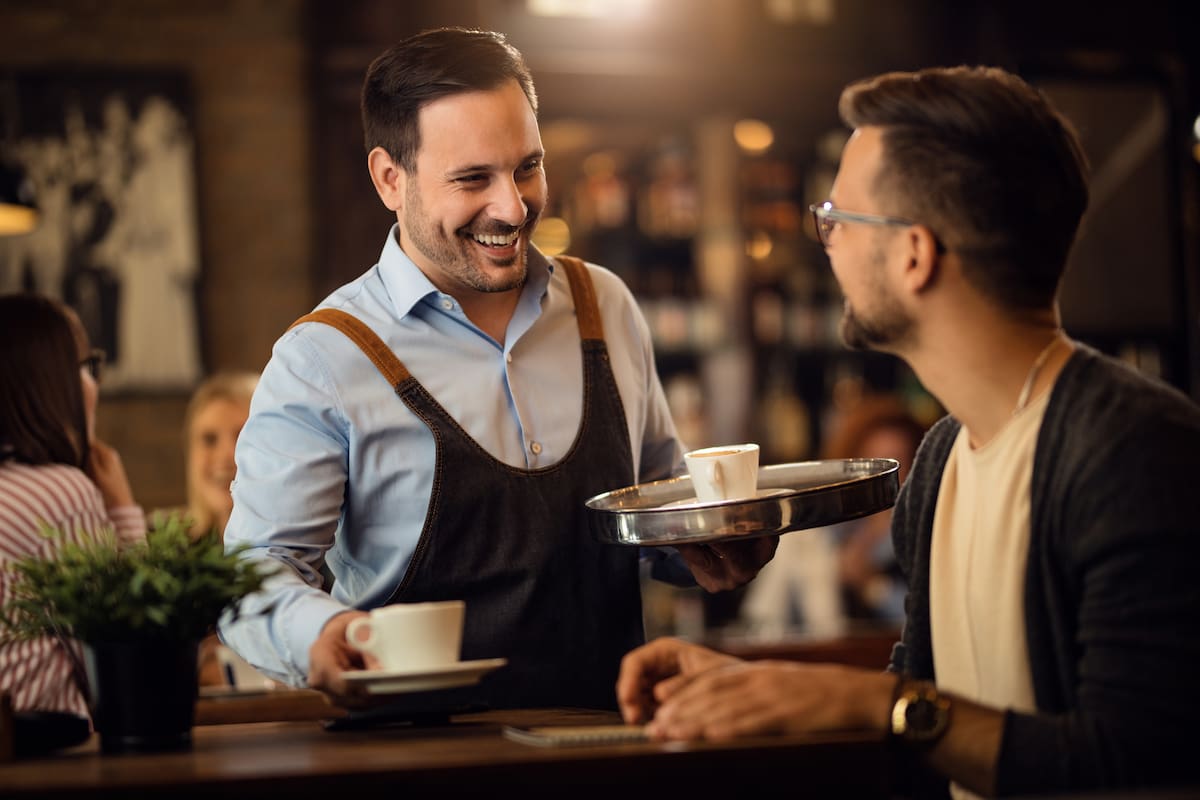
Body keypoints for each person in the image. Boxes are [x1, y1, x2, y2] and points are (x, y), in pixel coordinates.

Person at [616, 65, 1200, 798]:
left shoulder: (1132, 452)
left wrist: (870, 702)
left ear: (914, 254)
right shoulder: (941, 460)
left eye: (839, 219)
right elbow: (930, 718)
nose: (826, 243)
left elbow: (1140, 760)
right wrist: (758, 687)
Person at [218, 27, 776, 711]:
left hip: (610, 743)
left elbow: (657, 513)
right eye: (472, 178)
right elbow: (254, 574)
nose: (512, 207)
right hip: (418, 757)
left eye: (527, 168)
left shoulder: (605, 306)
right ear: (390, 179)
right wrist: (323, 633)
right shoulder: (324, 357)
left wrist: (713, 544)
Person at [0, 292, 146, 716]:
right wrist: (123, 512)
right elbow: (130, 669)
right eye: (85, 366)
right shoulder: (54, 494)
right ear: (50, 382)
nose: (94, 385)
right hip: (39, 749)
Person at [740, 393, 926, 636]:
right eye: (874, 468)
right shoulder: (834, 531)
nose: (886, 480)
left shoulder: (921, 537)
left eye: (899, 464)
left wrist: (873, 586)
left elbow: (928, 621)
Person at [177, 371, 258, 687]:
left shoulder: (315, 551)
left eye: (241, 434)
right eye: (209, 440)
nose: (226, 456)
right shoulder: (174, 557)